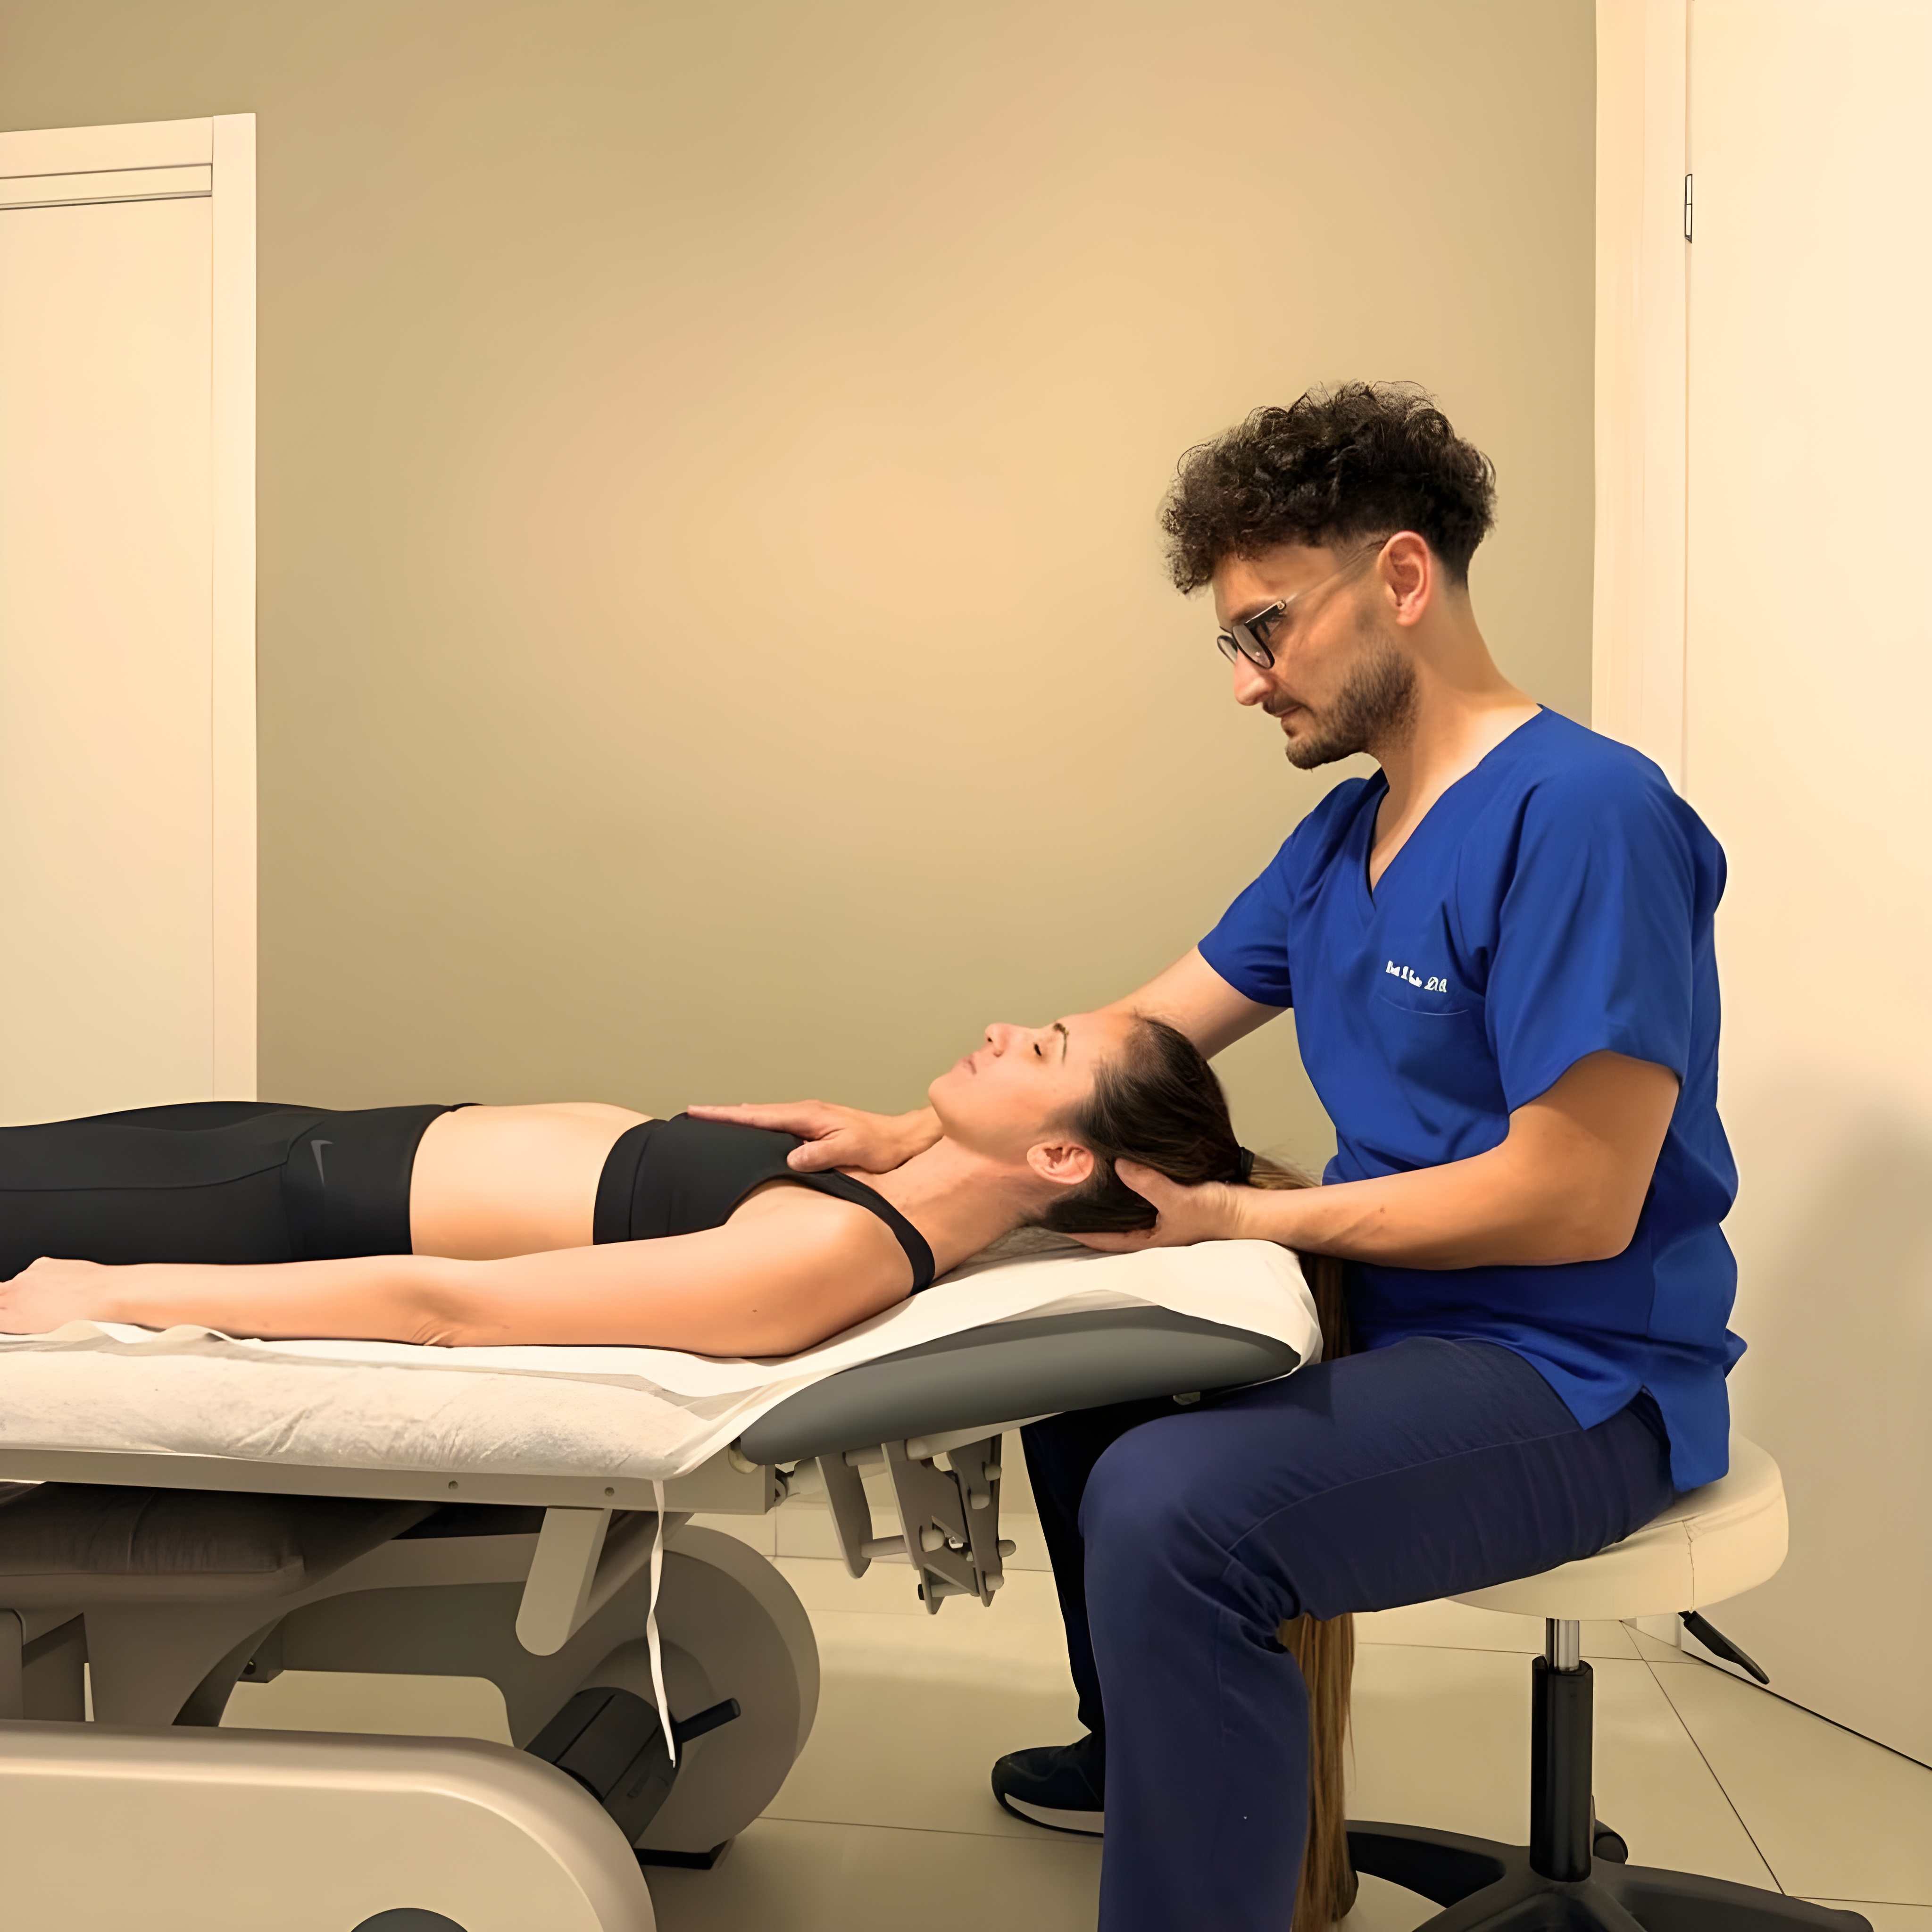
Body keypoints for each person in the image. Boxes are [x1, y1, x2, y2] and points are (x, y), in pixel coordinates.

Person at [692, 384, 1739, 1931]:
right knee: (1081, 1373)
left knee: (1172, 1506)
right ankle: (1160, 1767)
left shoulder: (1585, 815)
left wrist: (1246, 1216)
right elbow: (1145, 1026)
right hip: (1388, 1318)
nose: (1248, 683)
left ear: (1400, 577)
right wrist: (920, 1132)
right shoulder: (1344, 840)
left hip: (1576, 1376)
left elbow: (1576, 1203)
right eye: (1232, 643)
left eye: (1265, 629)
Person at [0, 1010, 1311, 1360]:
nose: (1005, 1029)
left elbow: (449, 1307)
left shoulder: (835, 1257)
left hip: (264, 1208)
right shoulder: (896, 1175)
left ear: (1063, 1161)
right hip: (295, 1146)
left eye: (1046, 1051)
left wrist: (113, 1293)